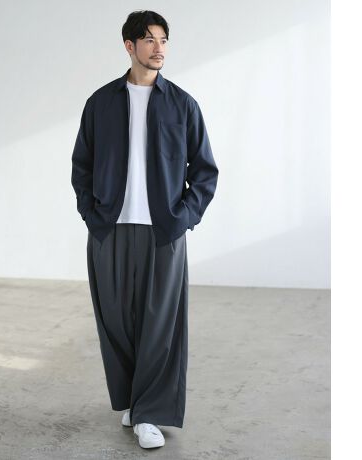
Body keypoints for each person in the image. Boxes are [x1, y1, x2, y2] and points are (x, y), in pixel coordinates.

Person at [71, 10, 219, 449]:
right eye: (150, 40)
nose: (159, 48)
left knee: (160, 325)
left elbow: (205, 171)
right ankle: (134, 400)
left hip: (162, 232)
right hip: (110, 229)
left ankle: (150, 413)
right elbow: (82, 166)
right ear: (129, 46)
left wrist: (183, 217)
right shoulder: (101, 103)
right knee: (115, 322)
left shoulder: (183, 105)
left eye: (163, 40)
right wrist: (91, 213)